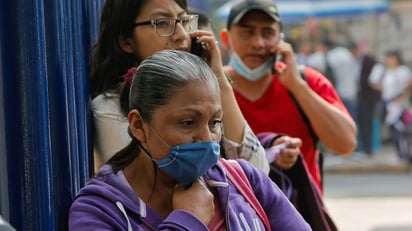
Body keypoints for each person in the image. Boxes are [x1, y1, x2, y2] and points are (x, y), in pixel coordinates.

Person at [69, 50, 311, 230]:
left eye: (215, 122)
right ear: (139, 126)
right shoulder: (99, 211)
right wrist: (188, 220)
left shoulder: (245, 181)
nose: (207, 139)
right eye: (187, 123)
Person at [90, 0, 274, 174]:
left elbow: (257, 170)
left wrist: (218, 78)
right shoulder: (109, 107)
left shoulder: (201, 96)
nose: (181, 35)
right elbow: (142, 187)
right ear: (126, 42)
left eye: (184, 21)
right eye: (162, 23)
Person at [220, 0, 357, 192]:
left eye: (267, 33)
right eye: (247, 33)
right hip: (236, 216)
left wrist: (297, 86)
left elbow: (346, 144)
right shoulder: (211, 88)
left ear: (280, 40)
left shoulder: (307, 81)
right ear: (226, 39)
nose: (258, 43)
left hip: (301, 216)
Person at [370, 50, 412, 164]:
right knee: (392, 130)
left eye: (390, 58)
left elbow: (409, 85)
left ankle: (404, 155)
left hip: (399, 104)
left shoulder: (403, 71)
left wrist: (403, 98)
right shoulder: (387, 71)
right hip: (389, 103)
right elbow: (382, 86)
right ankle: (399, 154)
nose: (388, 60)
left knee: (399, 130)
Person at [349, 41, 381, 156]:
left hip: (368, 97)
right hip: (360, 96)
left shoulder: (369, 60)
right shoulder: (357, 61)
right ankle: (364, 148)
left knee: (367, 122)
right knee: (361, 122)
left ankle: (368, 149)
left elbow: (372, 79)